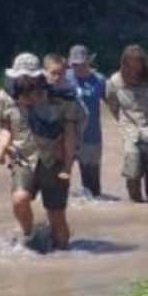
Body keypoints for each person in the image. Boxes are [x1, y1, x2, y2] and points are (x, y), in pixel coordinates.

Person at [0, 53, 83, 249]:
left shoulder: (58, 96)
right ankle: (30, 234)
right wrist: (3, 151)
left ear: (39, 75)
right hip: (23, 158)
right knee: (19, 199)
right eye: (22, 77)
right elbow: (3, 127)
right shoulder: (5, 96)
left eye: (31, 76)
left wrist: (69, 160)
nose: (26, 80)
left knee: (58, 222)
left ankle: (62, 261)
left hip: (53, 161)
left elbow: (75, 126)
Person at [105, 44, 148, 205]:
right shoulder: (115, 81)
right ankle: (136, 210)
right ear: (124, 64)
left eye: (138, 66)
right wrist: (124, 123)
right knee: (132, 175)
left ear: (143, 64)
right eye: (131, 66)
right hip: (130, 133)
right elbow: (112, 105)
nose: (135, 70)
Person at [65, 45, 106, 198]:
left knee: (93, 190)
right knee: (59, 182)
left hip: (92, 137)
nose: (79, 67)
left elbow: (114, 103)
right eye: (75, 64)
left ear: (89, 62)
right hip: (66, 137)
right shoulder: (63, 77)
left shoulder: (99, 80)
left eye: (82, 63)